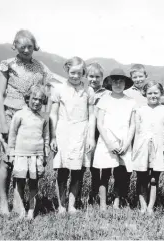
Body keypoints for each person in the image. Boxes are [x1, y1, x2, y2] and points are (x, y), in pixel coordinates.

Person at [0, 29, 53, 215]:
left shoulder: (41, 67)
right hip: (11, 114)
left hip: (32, 118)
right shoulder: (8, 64)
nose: (26, 50)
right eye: (22, 47)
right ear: (15, 46)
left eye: (30, 47)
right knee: (8, 159)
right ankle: (4, 203)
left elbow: (46, 93)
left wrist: (45, 117)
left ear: (34, 46)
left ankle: (20, 204)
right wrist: (4, 123)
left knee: (24, 162)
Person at [49, 57, 95, 214]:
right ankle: (61, 205)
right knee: (62, 171)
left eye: (79, 73)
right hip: (63, 132)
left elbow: (92, 116)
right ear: (67, 71)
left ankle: (72, 205)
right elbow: (53, 114)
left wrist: (90, 137)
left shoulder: (88, 91)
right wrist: (53, 136)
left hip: (81, 132)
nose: (75, 76)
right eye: (72, 72)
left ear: (84, 72)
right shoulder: (59, 89)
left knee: (77, 171)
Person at [92, 68, 136, 211]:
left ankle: (117, 202)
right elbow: (99, 123)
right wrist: (109, 143)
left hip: (123, 142)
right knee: (104, 174)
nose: (118, 84)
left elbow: (132, 124)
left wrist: (127, 143)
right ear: (110, 83)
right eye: (115, 81)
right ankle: (103, 204)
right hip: (106, 142)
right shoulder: (104, 100)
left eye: (121, 81)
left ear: (125, 84)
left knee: (120, 174)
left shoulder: (131, 102)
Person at [8, 85, 49, 219]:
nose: (37, 102)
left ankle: (31, 210)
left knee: (33, 183)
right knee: (19, 182)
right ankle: (20, 210)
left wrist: (45, 155)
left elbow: (46, 137)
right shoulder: (19, 115)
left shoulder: (43, 118)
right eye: (34, 98)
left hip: (36, 156)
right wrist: (11, 153)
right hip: (20, 155)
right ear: (27, 98)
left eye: (40, 100)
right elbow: (12, 134)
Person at [132, 80, 164, 215]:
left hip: (158, 148)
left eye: (156, 92)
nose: (153, 95)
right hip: (142, 147)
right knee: (142, 178)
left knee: (154, 179)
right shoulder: (140, 110)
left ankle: (150, 207)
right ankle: (142, 206)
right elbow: (136, 131)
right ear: (145, 94)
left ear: (161, 93)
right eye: (149, 93)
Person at [81, 62, 110, 205]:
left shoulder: (107, 93)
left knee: (103, 166)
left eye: (97, 77)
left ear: (102, 77)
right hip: (86, 131)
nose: (94, 79)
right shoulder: (83, 91)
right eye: (91, 76)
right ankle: (91, 195)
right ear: (86, 76)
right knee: (89, 166)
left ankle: (103, 195)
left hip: (102, 133)